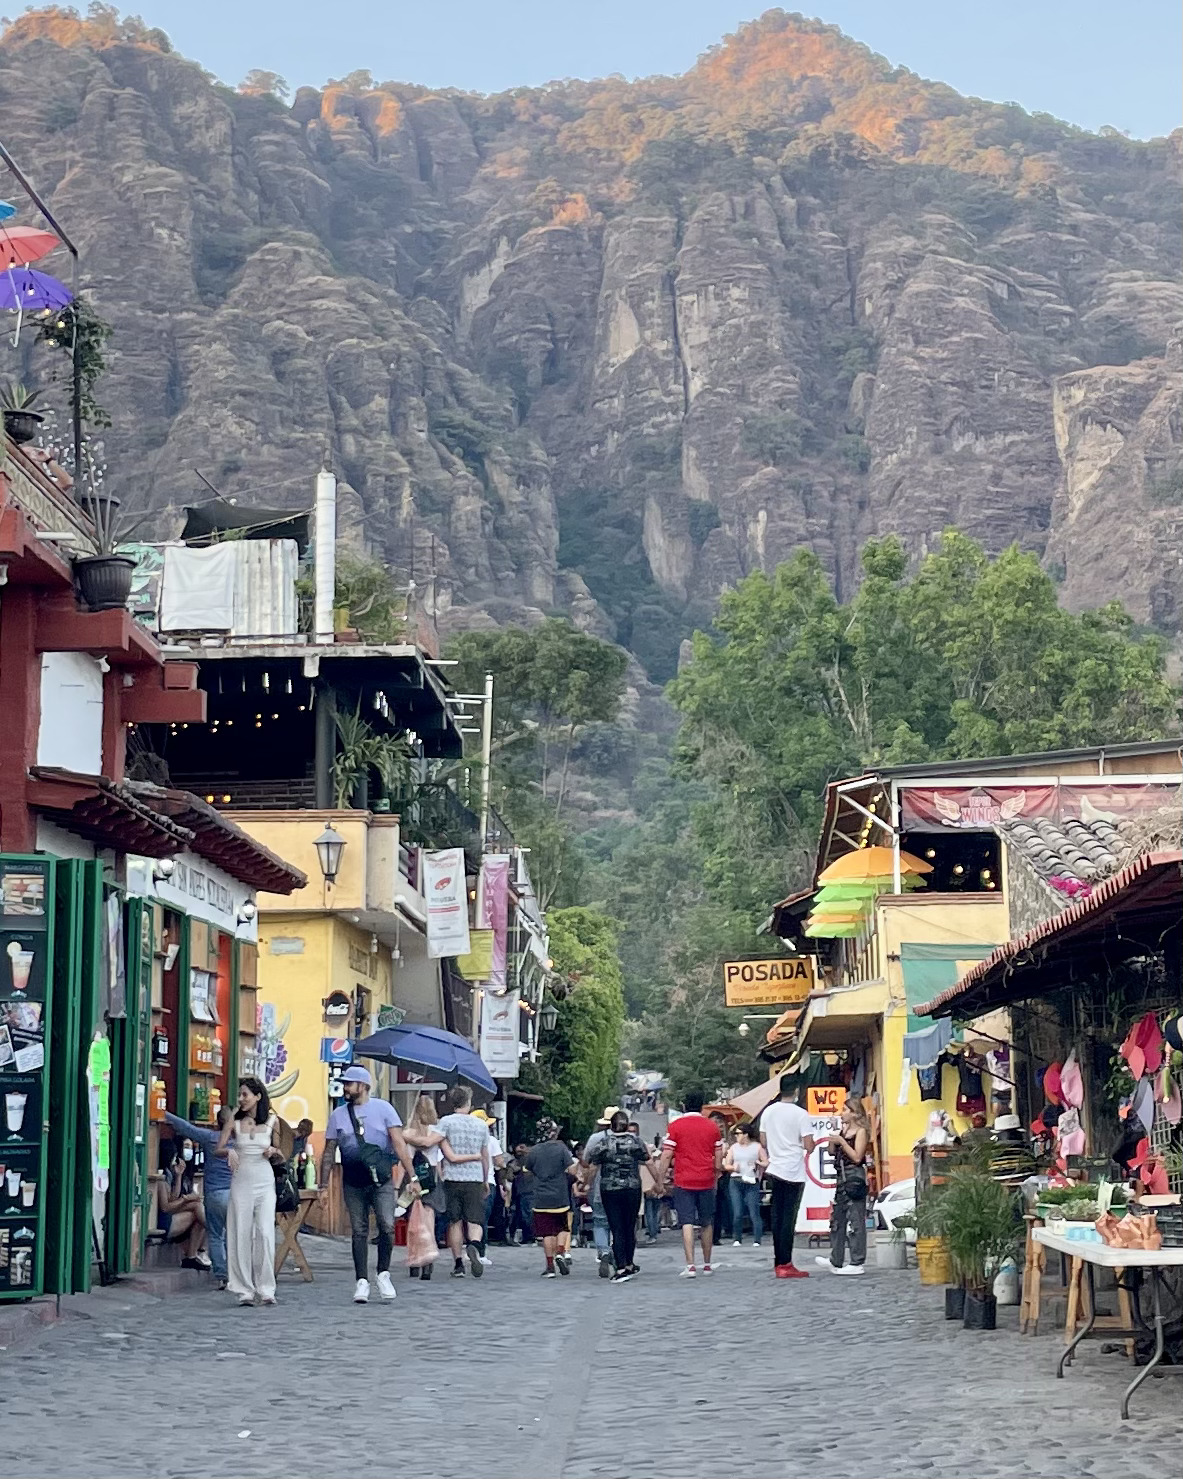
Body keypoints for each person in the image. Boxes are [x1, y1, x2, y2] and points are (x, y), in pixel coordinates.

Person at [319, 1066, 419, 1304]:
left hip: (381, 1180)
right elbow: (329, 1151)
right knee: (359, 1231)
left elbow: (398, 1143)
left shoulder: (384, 1109)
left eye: (349, 1084)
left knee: (386, 1225)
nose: (345, 1088)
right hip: (352, 1181)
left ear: (363, 1086)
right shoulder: (338, 1115)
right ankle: (361, 1280)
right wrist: (323, 1185)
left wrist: (413, 1177)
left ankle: (383, 1273)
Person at [216, 1076, 285, 1306]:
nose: (241, 1099)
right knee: (240, 1233)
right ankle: (244, 1289)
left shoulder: (273, 1120)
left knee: (265, 1233)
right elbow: (219, 1147)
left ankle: (266, 1288)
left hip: (264, 1181)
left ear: (258, 1096)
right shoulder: (233, 1121)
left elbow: (283, 1154)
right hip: (241, 1180)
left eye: (245, 1094)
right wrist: (229, 1152)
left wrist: (273, 1150)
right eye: (240, 1095)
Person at [402, 1092, 483, 1281]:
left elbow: (404, 1158)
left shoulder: (408, 1132)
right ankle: (428, 1260)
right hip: (432, 1177)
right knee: (429, 1218)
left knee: (413, 1220)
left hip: (412, 1174)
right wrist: (475, 1158)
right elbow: (447, 1157)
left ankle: (415, 1260)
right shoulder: (438, 1131)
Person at [657, 1090, 723, 1278]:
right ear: (702, 1106)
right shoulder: (712, 1127)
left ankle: (691, 1265)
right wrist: (716, 1175)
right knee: (706, 1222)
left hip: (684, 1180)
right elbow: (718, 1157)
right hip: (706, 1179)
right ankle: (708, 1264)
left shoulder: (676, 1126)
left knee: (686, 1221)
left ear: (683, 1106)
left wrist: (660, 1180)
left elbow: (667, 1154)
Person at [165, 1105, 233, 1286]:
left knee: (216, 1235)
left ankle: (221, 1276)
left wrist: (164, 1112)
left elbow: (186, 1127)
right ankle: (234, 1273)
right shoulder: (241, 1142)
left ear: (218, 1122)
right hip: (235, 1195)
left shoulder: (210, 1138)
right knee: (232, 1235)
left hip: (214, 1194)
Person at [760, 1074, 815, 1280]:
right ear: (797, 1091)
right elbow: (809, 1145)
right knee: (788, 1219)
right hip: (793, 1170)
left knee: (776, 1217)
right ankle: (786, 1262)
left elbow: (764, 1141)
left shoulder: (768, 1112)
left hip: (775, 1168)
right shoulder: (801, 1114)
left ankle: (778, 1261)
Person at [586, 1110, 652, 1282]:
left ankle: (621, 1266)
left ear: (611, 1125)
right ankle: (629, 1263)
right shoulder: (636, 1141)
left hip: (610, 1189)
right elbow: (648, 1160)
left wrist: (587, 1183)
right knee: (630, 1226)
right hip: (632, 1188)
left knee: (616, 1227)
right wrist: (658, 1180)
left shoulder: (604, 1142)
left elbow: (592, 1166)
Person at [437, 1085, 492, 1278]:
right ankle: (474, 1246)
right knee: (474, 1219)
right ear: (468, 1103)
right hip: (474, 1178)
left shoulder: (445, 1122)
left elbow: (439, 1150)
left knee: (455, 1221)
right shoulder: (481, 1125)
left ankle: (458, 1263)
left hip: (452, 1177)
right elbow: (485, 1156)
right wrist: (485, 1179)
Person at [815, 1099, 869, 1275]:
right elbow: (831, 1152)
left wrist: (843, 1142)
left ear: (854, 1113)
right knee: (837, 1219)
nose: (842, 1112)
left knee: (855, 1219)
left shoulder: (860, 1132)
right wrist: (834, 1136)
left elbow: (857, 1156)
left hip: (853, 1175)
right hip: (841, 1176)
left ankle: (857, 1260)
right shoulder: (843, 1130)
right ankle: (835, 1258)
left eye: (845, 1109)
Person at [525, 1117, 577, 1277]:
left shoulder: (533, 1151)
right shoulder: (561, 1149)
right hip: (560, 1194)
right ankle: (560, 1252)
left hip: (541, 1197)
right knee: (562, 1227)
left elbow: (527, 1173)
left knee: (547, 1233)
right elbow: (573, 1170)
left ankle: (549, 1266)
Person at [154, 1138, 210, 1269]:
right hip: (165, 1221)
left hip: (174, 1214)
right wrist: (185, 1199)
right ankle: (212, 1228)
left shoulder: (169, 1174)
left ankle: (192, 1256)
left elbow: (173, 1197)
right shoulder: (161, 1180)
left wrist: (178, 1176)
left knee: (197, 1206)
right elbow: (166, 1207)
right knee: (197, 1208)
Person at [724, 1122, 767, 1246]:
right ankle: (737, 1238)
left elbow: (766, 1162)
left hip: (751, 1180)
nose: (736, 1136)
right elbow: (726, 1164)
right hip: (736, 1180)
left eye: (738, 1133)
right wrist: (733, 1168)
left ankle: (757, 1239)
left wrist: (758, 1163)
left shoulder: (757, 1147)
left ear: (746, 1134)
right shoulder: (733, 1148)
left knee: (754, 1211)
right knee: (737, 1211)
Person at [473, 1109, 508, 1260]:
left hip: (468, 1180)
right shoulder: (491, 1140)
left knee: (469, 1218)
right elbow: (499, 1162)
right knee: (483, 1218)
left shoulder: (468, 1139)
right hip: (488, 1181)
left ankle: (470, 1246)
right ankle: (481, 1252)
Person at [711, 1115, 734, 1242]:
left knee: (723, 1203)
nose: (719, 1125)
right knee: (715, 1204)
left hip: (724, 1173)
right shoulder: (710, 1137)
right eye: (716, 1122)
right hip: (714, 1172)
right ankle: (714, 1232)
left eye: (720, 1123)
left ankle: (722, 1231)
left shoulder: (728, 1139)